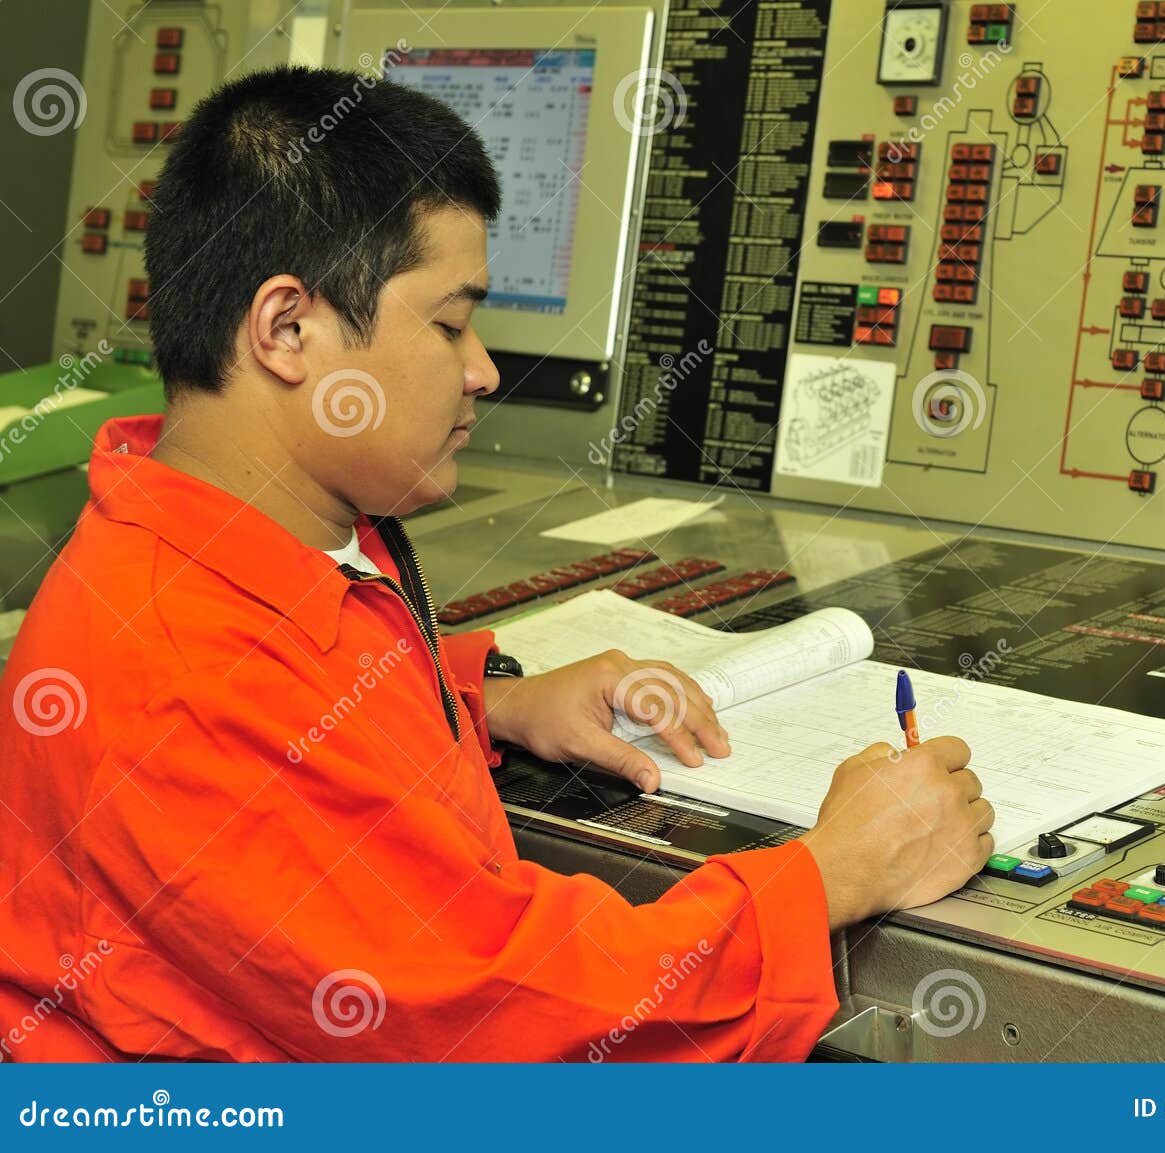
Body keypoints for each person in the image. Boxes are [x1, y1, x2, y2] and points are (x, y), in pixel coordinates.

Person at [0, 66, 993, 1062]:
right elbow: (501, 1026)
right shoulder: (184, 678)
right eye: (447, 323)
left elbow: (314, 707)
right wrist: (834, 873)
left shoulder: (230, 536)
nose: (479, 370)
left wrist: (479, 702)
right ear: (287, 330)